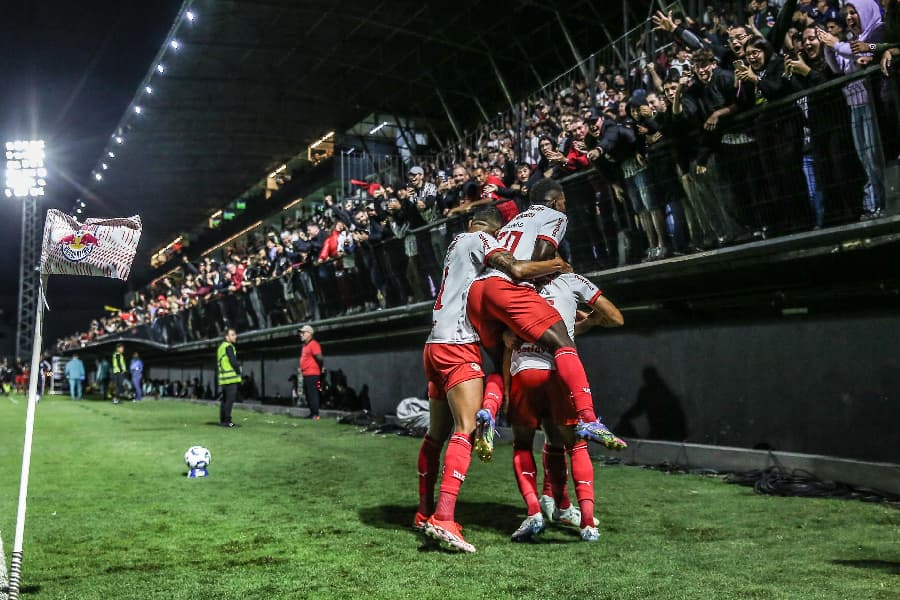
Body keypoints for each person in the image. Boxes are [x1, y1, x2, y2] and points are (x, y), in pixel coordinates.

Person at [417, 206, 569, 554]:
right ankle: (443, 518)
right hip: (458, 345)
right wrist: (555, 265)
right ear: (495, 231)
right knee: (465, 430)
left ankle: (423, 513)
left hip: (434, 345)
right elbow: (514, 269)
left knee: (435, 435)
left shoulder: (456, 244)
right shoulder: (482, 238)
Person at [466, 179, 627, 448]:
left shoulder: (514, 222)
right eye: (564, 200)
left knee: (500, 360)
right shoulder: (554, 216)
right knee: (563, 341)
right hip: (508, 289)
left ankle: (489, 411)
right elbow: (541, 256)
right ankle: (588, 417)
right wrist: (558, 266)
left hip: (478, 291)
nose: (566, 205)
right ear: (555, 201)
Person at [485, 272, 624, 544]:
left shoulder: (516, 287)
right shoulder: (572, 281)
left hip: (524, 371)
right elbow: (616, 318)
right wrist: (592, 318)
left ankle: (543, 507)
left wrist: (505, 389)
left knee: (530, 444)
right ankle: (585, 522)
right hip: (560, 371)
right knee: (574, 444)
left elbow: (507, 342)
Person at [217, 328, 241, 427]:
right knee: (229, 401)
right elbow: (233, 361)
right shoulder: (229, 346)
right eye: (233, 335)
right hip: (231, 378)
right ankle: (227, 421)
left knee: (224, 400)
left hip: (224, 378)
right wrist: (238, 370)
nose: (235, 336)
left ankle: (223, 421)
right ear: (227, 337)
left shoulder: (221, 347)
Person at [298, 324, 324, 420]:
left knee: (313, 393)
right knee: (309, 394)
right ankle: (312, 413)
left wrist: (321, 368)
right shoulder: (305, 346)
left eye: (303, 333)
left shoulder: (313, 344)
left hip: (312, 373)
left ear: (309, 334)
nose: (301, 334)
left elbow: (319, 358)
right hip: (306, 373)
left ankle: (315, 414)